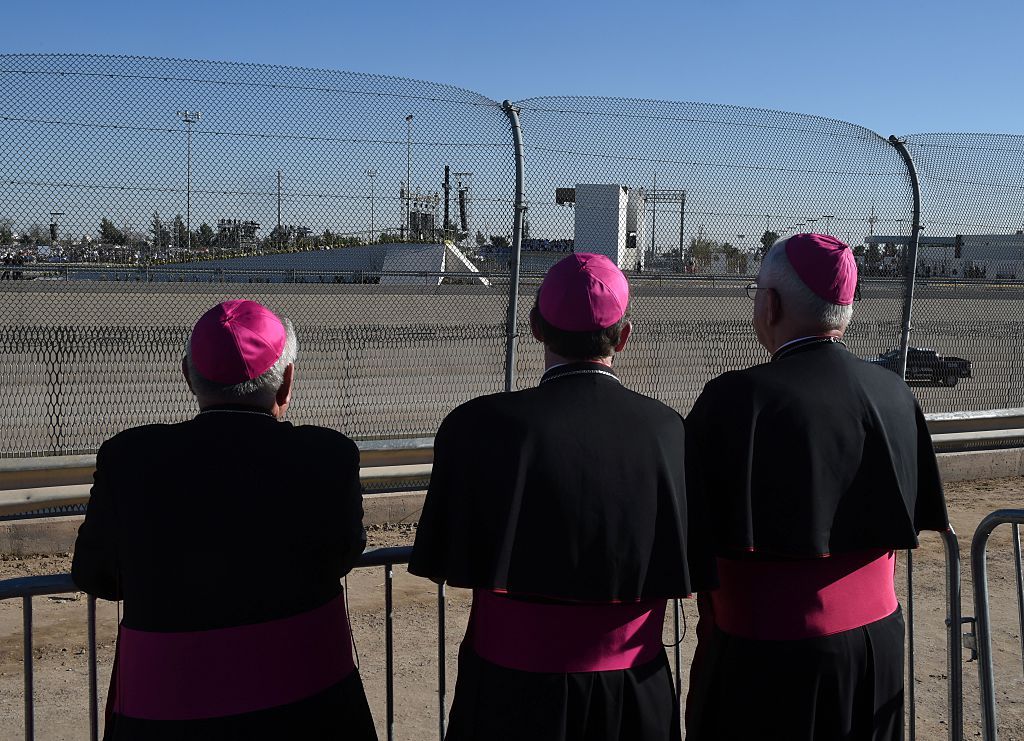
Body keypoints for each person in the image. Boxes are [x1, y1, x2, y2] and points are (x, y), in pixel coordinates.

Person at [410, 253, 715, 741]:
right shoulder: (669, 432)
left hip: (508, 694)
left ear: (534, 327)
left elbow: (446, 556)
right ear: (624, 336)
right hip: (633, 692)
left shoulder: (476, 427)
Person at [72, 299, 377, 741]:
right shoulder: (328, 456)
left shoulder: (130, 459)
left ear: (187, 377)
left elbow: (96, 575)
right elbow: (344, 552)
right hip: (311, 707)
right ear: (286, 381)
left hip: (167, 713)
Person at [684, 234, 949, 741]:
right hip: (877, 646)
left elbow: (690, 530)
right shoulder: (893, 391)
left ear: (771, 303)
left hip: (768, 656)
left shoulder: (736, 398)